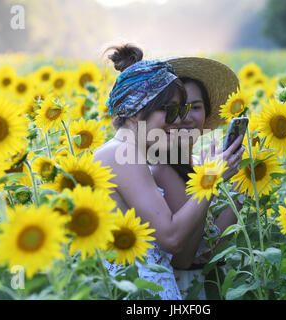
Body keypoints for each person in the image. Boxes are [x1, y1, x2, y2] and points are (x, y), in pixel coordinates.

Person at [93, 44, 243, 300]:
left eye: (182, 110)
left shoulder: (128, 154)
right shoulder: (121, 155)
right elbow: (172, 238)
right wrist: (210, 180)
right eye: (170, 111)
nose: (177, 122)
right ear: (133, 112)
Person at [150, 57, 246, 299]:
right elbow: (185, 257)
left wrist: (239, 186)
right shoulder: (163, 167)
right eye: (178, 109)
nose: (186, 117)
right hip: (185, 290)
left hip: (208, 283)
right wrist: (215, 180)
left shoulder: (194, 161)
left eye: (195, 107)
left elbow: (218, 244)